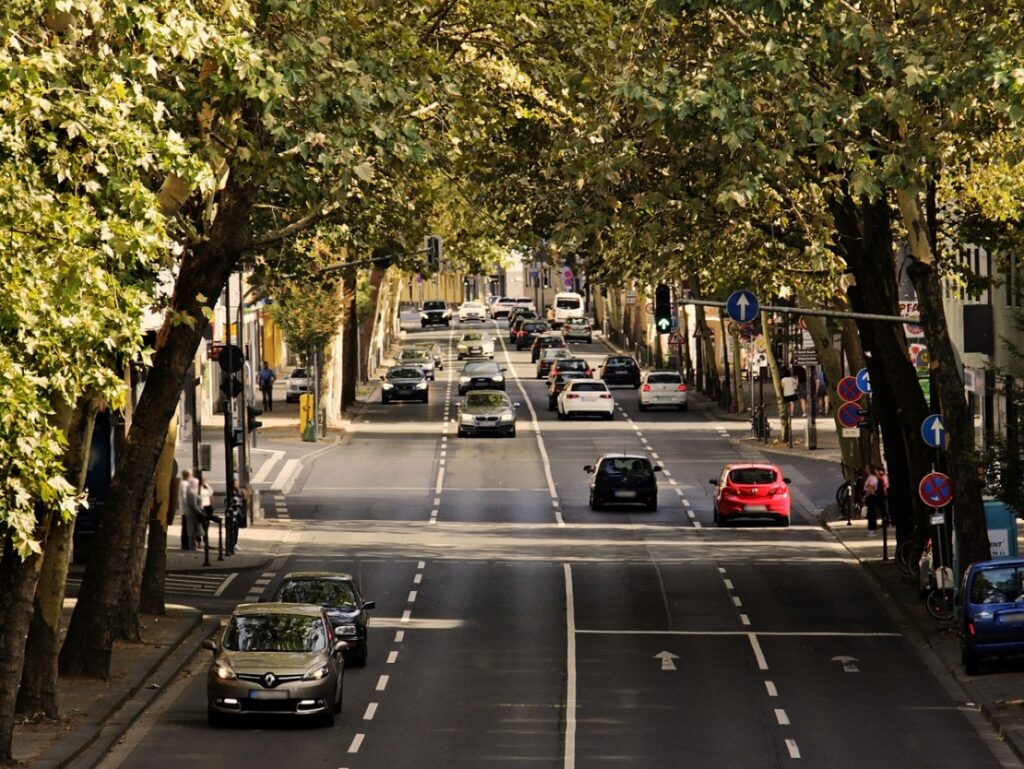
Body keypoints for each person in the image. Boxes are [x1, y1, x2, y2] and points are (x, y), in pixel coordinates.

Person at [185, 472, 204, 549]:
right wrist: (200, 512)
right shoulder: (191, 493)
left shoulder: (193, 492)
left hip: (195, 513)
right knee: (192, 530)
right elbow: (193, 505)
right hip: (192, 514)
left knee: (195, 530)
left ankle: (193, 545)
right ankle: (191, 546)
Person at [178, 469, 194, 550]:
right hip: (186, 509)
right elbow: (185, 497)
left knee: (187, 527)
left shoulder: (186, 484)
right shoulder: (184, 484)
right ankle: (186, 544)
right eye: (191, 475)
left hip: (187, 509)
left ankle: (187, 544)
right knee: (186, 527)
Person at [862, 465, 880, 534]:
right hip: (870, 496)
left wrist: (865, 496)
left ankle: (872, 528)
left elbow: (871, 488)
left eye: (867, 468)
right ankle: (871, 527)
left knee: (871, 513)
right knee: (870, 513)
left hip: (871, 496)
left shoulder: (872, 477)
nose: (866, 469)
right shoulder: (870, 477)